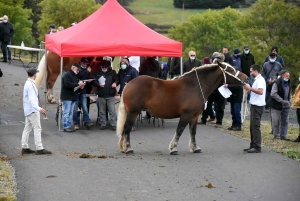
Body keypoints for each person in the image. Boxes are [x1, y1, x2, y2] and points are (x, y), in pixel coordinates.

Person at [21, 67, 52, 155]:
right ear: (34, 75)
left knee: (27, 128)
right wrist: (39, 108)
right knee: (37, 128)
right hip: (32, 110)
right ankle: (39, 148)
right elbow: (32, 100)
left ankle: (25, 147)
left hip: (28, 109)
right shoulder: (30, 85)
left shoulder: (28, 83)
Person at [243, 64, 266, 153]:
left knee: (255, 126)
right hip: (254, 105)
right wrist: (249, 89)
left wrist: (250, 88)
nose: (250, 73)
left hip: (258, 106)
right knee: (252, 126)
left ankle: (257, 146)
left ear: (256, 71)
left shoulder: (260, 80)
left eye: (251, 71)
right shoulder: (256, 80)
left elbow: (260, 91)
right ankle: (253, 144)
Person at [93, 60, 118, 130]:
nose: (104, 68)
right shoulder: (98, 73)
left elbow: (117, 80)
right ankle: (103, 124)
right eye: (103, 67)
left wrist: (115, 83)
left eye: (105, 67)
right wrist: (98, 84)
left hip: (110, 94)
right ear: (101, 67)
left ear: (108, 67)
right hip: (101, 94)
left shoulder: (113, 73)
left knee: (112, 110)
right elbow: (94, 82)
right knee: (102, 111)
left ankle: (113, 124)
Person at [61, 63, 84, 132]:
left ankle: (68, 125)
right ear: (73, 68)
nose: (78, 71)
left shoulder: (75, 76)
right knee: (67, 112)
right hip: (67, 96)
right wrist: (78, 84)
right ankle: (66, 126)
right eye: (77, 69)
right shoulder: (67, 75)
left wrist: (80, 86)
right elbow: (67, 85)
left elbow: (74, 86)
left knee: (70, 112)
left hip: (73, 96)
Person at [72, 58, 94, 130]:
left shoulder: (87, 70)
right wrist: (87, 72)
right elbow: (79, 75)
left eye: (86, 63)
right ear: (81, 62)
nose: (85, 64)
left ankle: (86, 122)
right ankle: (76, 123)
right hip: (76, 91)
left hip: (84, 91)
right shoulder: (78, 69)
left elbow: (86, 78)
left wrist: (89, 80)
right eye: (84, 63)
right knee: (76, 108)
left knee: (85, 107)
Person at [270, 70, 291, 140]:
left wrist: (288, 101)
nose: (288, 77)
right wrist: (281, 100)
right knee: (276, 120)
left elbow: (289, 93)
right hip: (276, 105)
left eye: (289, 76)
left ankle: (283, 135)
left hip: (286, 104)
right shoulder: (277, 83)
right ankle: (276, 135)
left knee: (285, 120)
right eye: (286, 76)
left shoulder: (288, 83)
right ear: (282, 76)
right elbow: (273, 93)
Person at [224, 67, 244, 131]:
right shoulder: (232, 78)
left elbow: (239, 86)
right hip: (232, 97)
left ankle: (238, 125)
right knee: (233, 112)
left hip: (237, 97)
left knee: (237, 111)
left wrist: (228, 86)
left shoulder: (240, 78)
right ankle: (234, 124)